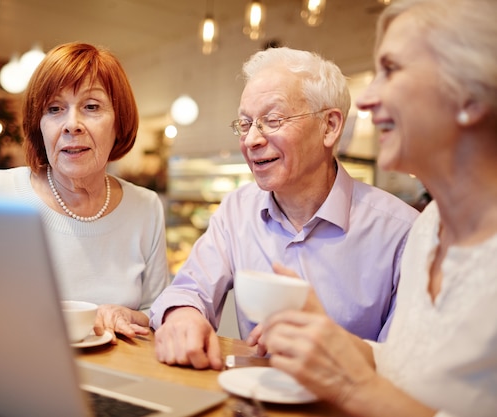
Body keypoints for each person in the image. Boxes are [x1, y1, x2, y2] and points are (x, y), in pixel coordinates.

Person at [257, 0, 497, 415]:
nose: (365, 99)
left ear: (470, 97)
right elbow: (410, 368)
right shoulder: (430, 227)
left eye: (391, 69)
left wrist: (353, 387)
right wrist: (329, 340)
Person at [150, 46, 419, 370]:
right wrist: (183, 315)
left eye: (272, 120)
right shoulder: (236, 210)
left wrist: (330, 349)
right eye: (245, 123)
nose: (251, 140)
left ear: (330, 126)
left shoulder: (402, 232)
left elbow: (408, 365)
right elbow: (189, 289)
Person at [0, 42, 170, 343]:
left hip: (113, 379)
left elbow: (158, 313)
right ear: (40, 126)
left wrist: (128, 315)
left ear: (119, 122)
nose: (71, 125)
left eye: (91, 107)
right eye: (54, 109)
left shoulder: (145, 207)